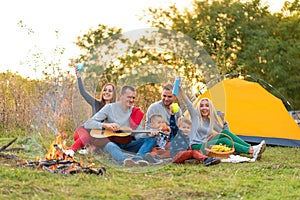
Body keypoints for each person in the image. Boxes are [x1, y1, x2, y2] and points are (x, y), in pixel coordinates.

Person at [177, 85, 267, 161]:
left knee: (224, 135)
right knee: (223, 141)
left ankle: (252, 148)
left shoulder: (210, 121)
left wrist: (223, 120)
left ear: (210, 108)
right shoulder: (196, 117)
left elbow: (226, 133)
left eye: (207, 106)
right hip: (196, 146)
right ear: (198, 108)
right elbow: (188, 104)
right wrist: (181, 91)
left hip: (206, 144)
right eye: (202, 106)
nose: (204, 108)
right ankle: (251, 150)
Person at [83, 85, 158, 167]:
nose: (131, 100)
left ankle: (137, 159)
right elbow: (88, 123)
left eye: (133, 98)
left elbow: (138, 135)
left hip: (128, 143)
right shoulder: (109, 108)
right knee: (109, 145)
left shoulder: (135, 112)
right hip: (112, 143)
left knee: (151, 139)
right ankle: (125, 161)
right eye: (129, 97)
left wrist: (148, 134)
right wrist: (106, 125)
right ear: (121, 96)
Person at [64, 69, 117, 156]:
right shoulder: (96, 104)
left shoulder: (115, 110)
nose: (106, 92)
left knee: (104, 141)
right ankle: (71, 151)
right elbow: (83, 93)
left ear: (113, 94)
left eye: (109, 91)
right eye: (105, 90)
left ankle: (89, 149)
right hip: (83, 131)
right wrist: (79, 77)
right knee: (86, 137)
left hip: (96, 137)